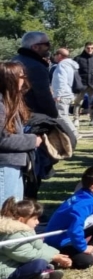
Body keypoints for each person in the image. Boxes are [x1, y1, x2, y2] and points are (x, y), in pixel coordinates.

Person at [44, 166, 93, 269]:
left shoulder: (87, 194)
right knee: (86, 261)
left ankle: (92, 248)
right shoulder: (83, 204)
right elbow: (74, 230)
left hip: (70, 233)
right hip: (60, 240)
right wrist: (83, 248)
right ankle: (57, 258)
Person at [0, 63, 41, 202]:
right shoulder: (1, 106)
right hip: (4, 166)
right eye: (21, 76)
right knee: (5, 214)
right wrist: (32, 140)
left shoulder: (8, 103)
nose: (24, 80)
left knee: (12, 210)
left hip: (12, 164)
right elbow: (2, 140)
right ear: (9, 79)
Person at [0, 197, 69, 278]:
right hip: (10, 271)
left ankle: (43, 273)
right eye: (35, 219)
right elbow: (28, 255)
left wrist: (56, 254)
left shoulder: (26, 230)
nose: (38, 222)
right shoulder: (11, 235)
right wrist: (53, 257)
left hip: (21, 263)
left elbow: (39, 245)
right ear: (21, 220)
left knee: (45, 261)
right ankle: (42, 273)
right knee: (39, 264)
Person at [11, 33, 57, 119]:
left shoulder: (15, 60)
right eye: (47, 44)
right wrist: (53, 115)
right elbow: (43, 95)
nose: (49, 47)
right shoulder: (36, 67)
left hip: (14, 111)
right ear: (35, 47)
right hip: (31, 114)